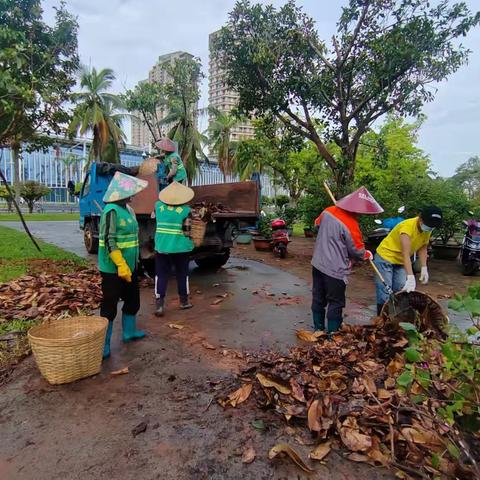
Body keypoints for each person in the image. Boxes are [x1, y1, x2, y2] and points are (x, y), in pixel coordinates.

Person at [311, 187, 383, 333]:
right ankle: (333, 335)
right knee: (336, 302)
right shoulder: (351, 224)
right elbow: (357, 251)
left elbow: (316, 225)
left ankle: (318, 329)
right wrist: (367, 254)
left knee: (318, 297)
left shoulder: (328, 211)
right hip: (335, 270)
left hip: (317, 264)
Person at [98, 171, 148, 359]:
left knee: (133, 299)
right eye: (130, 193)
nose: (133, 196)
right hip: (112, 268)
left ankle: (129, 332)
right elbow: (109, 240)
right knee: (110, 305)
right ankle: (104, 345)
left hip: (130, 266)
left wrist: (134, 263)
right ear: (120, 193)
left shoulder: (129, 210)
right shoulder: (111, 211)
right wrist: (120, 264)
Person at [374, 206, 443, 314]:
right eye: (429, 225)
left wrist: (424, 267)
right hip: (385, 258)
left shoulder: (427, 228)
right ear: (420, 219)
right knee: (385, 293)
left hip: (400, 262)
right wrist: (410, 277)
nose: (430, 228)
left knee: (401, 290)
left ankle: (397, 320)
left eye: (432, 226)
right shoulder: (407, 228)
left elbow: (423, 246)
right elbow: (406, 254)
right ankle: (382, 321)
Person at [152, 181, 195, 316]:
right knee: (182, 274)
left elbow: (153, 216)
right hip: (181, 248)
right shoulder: (187, 210)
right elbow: (188, 231)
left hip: (162, 247)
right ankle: (184, 302)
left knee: (161, 275)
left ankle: (159, 305)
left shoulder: (158, 206)